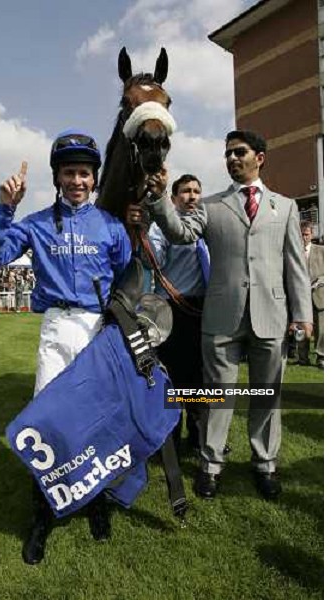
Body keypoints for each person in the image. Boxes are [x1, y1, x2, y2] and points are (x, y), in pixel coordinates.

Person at [129, 129, 312, 501]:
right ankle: (211, 467)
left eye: (238, 152)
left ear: (259, 157)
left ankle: (265, 464)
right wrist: (162, 197)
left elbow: (295, 266)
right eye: (227, 154)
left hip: (271, 317)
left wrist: (302, 314)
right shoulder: (210, 207)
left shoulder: (286, 206)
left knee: (266, 395)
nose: (231, 159)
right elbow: (180, 233)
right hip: (222, 318)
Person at [0, 129, 132, 565]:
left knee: (99, 420)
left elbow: (124, 276)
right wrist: (6, 208)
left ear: (94, 177)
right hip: (55, 326)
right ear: (57, 177)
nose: (77, 181)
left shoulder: (110, 226)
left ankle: (97, 503)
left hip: (96, 329)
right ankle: (41, 516)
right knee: (47, 424)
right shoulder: (36, 223)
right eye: (69, 173)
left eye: (84, 173)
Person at [143, 174, 209, 453]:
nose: (191, 196)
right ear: (173, 198)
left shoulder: (207, 226)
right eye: (185, 191)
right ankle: (170, 440)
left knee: (201, 378)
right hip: (172, 311)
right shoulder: (162, 228)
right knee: (171, 379)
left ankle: (198, 436)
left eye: (196, 191)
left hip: (204, 311)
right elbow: (153, 258)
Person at [298, 221, 324, 369]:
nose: (304, 237)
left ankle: (321, 357)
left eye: (307, 234)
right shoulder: (293, 251)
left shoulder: (322, 251)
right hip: (301, 298)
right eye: (301, 234)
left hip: (319, 295)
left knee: (322, 329)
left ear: (312, 235)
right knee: (301, 328)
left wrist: (319, 281)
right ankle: (302, 358)